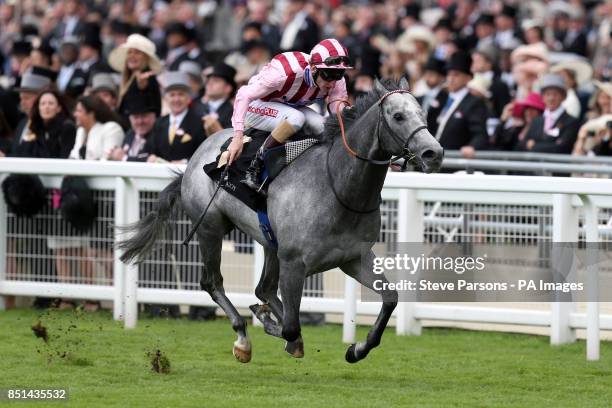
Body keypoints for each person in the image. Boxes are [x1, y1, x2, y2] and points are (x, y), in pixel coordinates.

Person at [228, 38, 353, 193]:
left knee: (323, 126)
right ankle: (255, 166)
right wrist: (237, 136)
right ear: (313, 68)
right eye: (329, 75)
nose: (333, 83)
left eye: (339, 74)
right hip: (256, 106)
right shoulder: (283, 73)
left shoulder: (336, 81)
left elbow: (338, 117)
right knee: (296, 118)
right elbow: (243, 95)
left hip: (290, 107)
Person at [433, 51, 489, 158]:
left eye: (456, 75)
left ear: (468, 78)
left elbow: (480, 133)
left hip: (453, 160)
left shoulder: (474, 102)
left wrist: (472, 146)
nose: (451, 78)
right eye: (449, 74)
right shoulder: (442, 97)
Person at [144, 71, 206, 164]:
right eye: (172, 95)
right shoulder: (159, 122)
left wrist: (185, 162)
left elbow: (203, 153)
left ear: (189, 98)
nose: (176, 99)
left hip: (185, 174)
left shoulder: (198, 122)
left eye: (181, 94)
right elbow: (150, 150)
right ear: (166, 99)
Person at [518, 74, 580, 153]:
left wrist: (533, 145)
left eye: (555, 94)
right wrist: (551, 145)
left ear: (563, 97)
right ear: (542, 98)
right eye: (547, 94)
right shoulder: (537, 121)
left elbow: (562, 148)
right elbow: (523, 144)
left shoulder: (570, 121)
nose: (551, 98)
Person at [109, 34, 162, 119]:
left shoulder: (148, 77)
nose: (132, 56)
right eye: (129, 52)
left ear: (146, 58)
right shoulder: (130, 77)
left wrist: (143, 89)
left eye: (137, 53)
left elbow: (149, 108)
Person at [12, 89, 76, 159]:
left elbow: (64, 157)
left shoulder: (67, 128)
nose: (46, 107)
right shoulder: (35, 127)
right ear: (38, 108)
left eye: (51, 103)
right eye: (43, 104)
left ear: (58, 108)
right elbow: (21, 153)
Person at [69, 94, 125, 160]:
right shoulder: (81, 131)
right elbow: (73, 157)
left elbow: (108, 159)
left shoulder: (112, 129)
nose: (75, 114)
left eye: (79, 111)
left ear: (91, 114)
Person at [107, 97, 158, 162]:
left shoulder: (159, 136)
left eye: (144, 116)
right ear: (130, 119)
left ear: (154, 117)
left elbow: (151, 160)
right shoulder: (130, 134)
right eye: (136, 117)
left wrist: (124, 158)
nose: (140, 121)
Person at [192, 63, 236, 137]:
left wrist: (218, 130)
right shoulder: (196, 106)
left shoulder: (234, 112)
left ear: (228, 88)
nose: (210, 83)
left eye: (216, 81)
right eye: (208, 80)